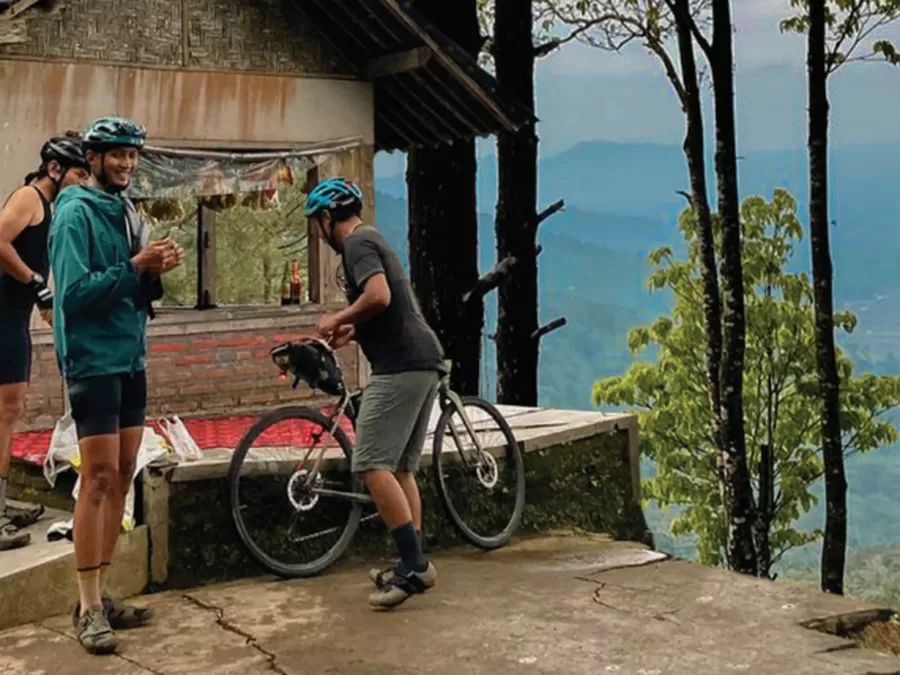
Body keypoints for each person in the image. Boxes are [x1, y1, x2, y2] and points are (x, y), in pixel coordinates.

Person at [50, 116, 184, 653]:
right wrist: (135, 266)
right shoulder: (74, 213)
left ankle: (104, 594)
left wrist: (154, 271)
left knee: (126, 472)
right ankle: (85, 608)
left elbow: (132, 285)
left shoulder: (126, 209)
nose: (127, 164)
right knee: (99, 478)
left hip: (131, 354)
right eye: (117, 155)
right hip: (93, 360)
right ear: (94, 158)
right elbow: (75, 295)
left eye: (133, 155)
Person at [306, 177, 444, 609]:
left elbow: (379, 295)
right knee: (402, 469)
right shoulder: (371, 238)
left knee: (369, 463)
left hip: (401, 366)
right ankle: (411, 563)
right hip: (424, 361)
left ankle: (414, 567)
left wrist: (336, 317)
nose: (317, 233)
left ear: (328, 218)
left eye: (316, 223)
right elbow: (385, 306)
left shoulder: (355, 245)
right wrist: (353, 329)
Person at [0, 137, 91, 551]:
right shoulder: (29, 196)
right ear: (55, 169)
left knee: (10, 410)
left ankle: (2, 504)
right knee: (4, 412)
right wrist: (36, 284)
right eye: (78, 174)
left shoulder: (54, 206)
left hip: (15, 315)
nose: (81, 182)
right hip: (2, 314)